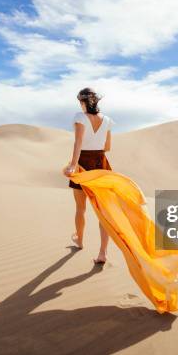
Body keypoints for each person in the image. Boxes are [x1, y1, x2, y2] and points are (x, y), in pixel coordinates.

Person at [62, 87, 114, 264]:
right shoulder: (107, 120)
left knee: (80, 208)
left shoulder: (79, 117)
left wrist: (73, 165)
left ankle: (80, 241)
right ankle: (103, 253)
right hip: (101, 164)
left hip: (83, 163)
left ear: (83, 101)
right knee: (103, 212)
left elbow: (78, 143)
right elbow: (107, 147)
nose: (80, 105)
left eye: (80, 101)